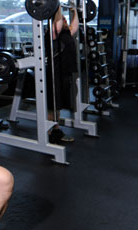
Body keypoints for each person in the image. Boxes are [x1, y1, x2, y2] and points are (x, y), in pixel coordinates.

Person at [46, 6, 78, 144]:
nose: (65, 20)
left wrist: (75, 11)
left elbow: (74, 26)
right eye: (62, 19)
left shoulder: (66, 33)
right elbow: (57, 27)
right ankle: (48, 133)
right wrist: (57, 7)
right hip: (54, 74)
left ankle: (55, 128)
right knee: (52, 105)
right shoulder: (53, 34)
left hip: (64, 74)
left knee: (58, 105)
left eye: (65, 19)